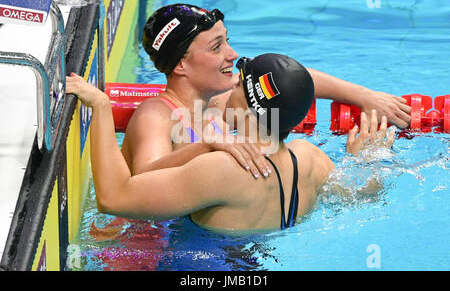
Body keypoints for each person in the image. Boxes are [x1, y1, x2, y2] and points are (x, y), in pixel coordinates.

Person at [66, 53, 395, 232]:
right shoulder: (309, 159)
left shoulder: (222, 170)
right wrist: (366, 159)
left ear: (249, 112)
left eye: (238, 85)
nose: (230, 86)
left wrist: (102, 107)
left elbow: (113, 198)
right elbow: (362, 194)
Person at [120, 3, 410, 179]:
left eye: (227, 41)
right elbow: (144, 175)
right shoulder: (156, 116)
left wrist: (364, 97)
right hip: (163, 254)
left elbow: (289, 78)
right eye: (216, 46)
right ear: (181, 64)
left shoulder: (214, 104)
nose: (232, 54)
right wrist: (208, 145)